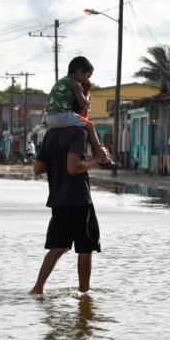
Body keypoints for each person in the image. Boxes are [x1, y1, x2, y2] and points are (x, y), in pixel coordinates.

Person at [29, 125, 107, 295]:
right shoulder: (78, 132)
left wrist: (57, 164)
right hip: (79, 199)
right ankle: (84, 293)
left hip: (58, 199)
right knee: (85, 248)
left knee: (58, 246)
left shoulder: (50, 134)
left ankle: (38, 288)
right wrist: (95, 160)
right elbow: (73, 168)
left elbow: (38, 168)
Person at [43, 56, 114, 167]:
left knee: (84, 123)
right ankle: (102, 157)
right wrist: (87, 91)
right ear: (80, 72)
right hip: (61, 116)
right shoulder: (75, 84)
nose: (87, 80)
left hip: (49, 117)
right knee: (89, 125)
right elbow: (83, 104)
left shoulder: (61, 81)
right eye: (87, 76)